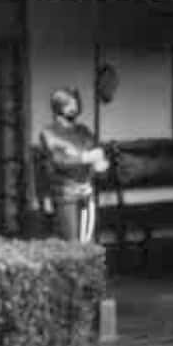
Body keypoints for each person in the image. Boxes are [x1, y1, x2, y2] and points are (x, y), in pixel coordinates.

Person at [37, 87, 110, 242]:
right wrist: (84, 158)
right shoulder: (49, 133)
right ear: (59, 107)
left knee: (88, 241)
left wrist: (100, 163)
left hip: (86, 191)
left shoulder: (84, 131)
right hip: (65, 193)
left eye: (76, 104)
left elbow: (96, 152)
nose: (75, 108)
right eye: (70, 105)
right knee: (71, 242)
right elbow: (59, 161)